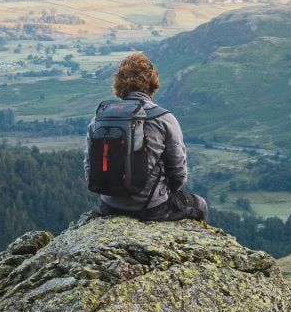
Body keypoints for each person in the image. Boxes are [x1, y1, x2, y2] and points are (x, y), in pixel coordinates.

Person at [85, 51, 207, 222]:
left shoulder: (101, 117)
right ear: (152, 84)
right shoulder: (164, 118)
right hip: (151, 207)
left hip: (108, 206)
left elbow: (90, 167)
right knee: (199, 205)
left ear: (119, 84)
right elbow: (178, 173)